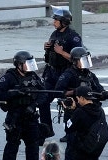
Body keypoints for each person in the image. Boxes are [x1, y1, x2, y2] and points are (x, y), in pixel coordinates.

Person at [0, 51, 45, 160]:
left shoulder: (33, 77)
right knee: (11, 150)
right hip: (15, 119)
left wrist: (33, 106)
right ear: (18, 65)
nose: (29, 67)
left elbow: (44, 93)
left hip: (31, 119)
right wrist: (15, 93)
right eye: (26, 64)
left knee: (33, 151)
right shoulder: (9, 77)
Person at [42, 7, 82, 139]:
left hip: (66, 73)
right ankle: (46, 128)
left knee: (68, 101)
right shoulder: (54, 34)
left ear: (63, 22)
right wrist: (47, 48)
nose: (54, 22)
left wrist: (61, 52)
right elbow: (50, 53)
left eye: (56, 20)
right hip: (52, 72)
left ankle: (69, 131)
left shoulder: (73, 37)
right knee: (43, 99)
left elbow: (77, 58)